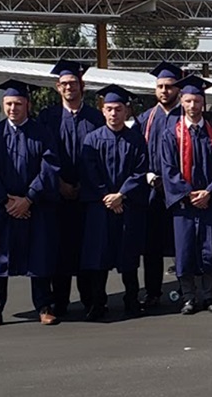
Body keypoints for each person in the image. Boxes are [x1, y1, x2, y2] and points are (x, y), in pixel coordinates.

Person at [0, 80, 60, 328]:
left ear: (27, 105)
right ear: (4, 105)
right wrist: (8, 201)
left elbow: (49, 168)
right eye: (9, 104)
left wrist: (29, 198)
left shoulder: (42, 133)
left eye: (18, 104)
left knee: (39, 257)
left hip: (35, 207)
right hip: (2, 208)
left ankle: (44, 307)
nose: (13, 108)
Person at [161, 75, 212, 315]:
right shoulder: (171, 134)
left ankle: (210, 295)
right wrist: (189, 193)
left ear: (204, 103)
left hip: (210, 201)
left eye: (197, 101)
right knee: (185, 250)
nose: (193, 106)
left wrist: (209, 192)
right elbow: (168, 169)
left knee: (210, 247)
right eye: (189, 101)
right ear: (182, 101)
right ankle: (189, 297)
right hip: (184, 204)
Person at [39, 59, 105, 317]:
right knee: (60, 250)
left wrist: (84, 186)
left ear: (82, 86)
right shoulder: (48, 119)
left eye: (73, 83)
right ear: (58, 87)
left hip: (87, 196)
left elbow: (102, 158)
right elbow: (43, 156)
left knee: (87, 249)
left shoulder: (95, 118)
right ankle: (60, 302)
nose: (69, 87)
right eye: (64, 84)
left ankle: (90, 299)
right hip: (57, 196)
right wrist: (59, 184)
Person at [79, 85, 149, 321]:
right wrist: (107, 197)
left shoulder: (136, 140)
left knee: (128, 257)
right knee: (99, 258)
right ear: (102, 110)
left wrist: (122, 195)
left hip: (127, 207)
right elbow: (89, 172)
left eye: (118, 109)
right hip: (101, 208)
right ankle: (98, 303)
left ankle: (131, 301)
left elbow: (140, 172)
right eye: (109, 109)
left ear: (126, 111)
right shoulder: (93, 139)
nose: (113, 114)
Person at [136, 62, 183, 311]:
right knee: (151, 245)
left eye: (169, 86)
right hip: (152, 189)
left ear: (178, 88)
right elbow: (137, 156)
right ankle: (153, 292)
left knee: (182, 242)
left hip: (180, 190)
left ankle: (186, 291)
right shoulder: (146, 119)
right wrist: (150, 178)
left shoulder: (187, 116)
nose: (164, 91)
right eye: (160, 87)